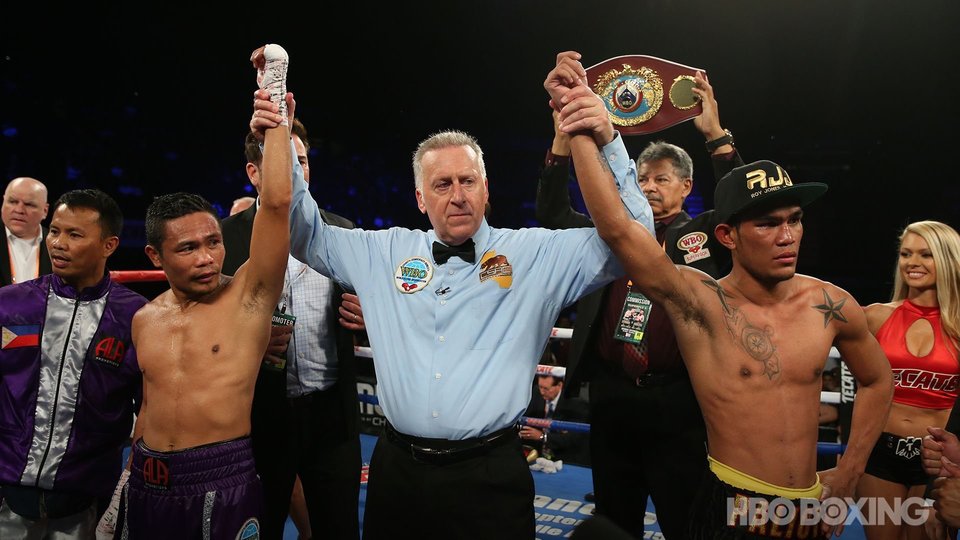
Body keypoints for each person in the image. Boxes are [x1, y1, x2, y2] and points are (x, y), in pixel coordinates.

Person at [250, 50, 654, 539]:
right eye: (441, 184)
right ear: (421, 198)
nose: (457, 195)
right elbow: (298, 228)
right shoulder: (382, 252)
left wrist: (608, 139)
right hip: (397, 471)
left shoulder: (535, 254)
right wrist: (278, 136)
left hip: (493, 476)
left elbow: (636, 239)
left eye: (467, 181)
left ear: (487, 190)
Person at [557, 71, 894, 537]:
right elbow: (617, 229)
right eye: (768, 224)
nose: (787, 236)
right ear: (726, 236)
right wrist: (583, 131)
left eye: (795, 220)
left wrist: (851, 470)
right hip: (730, 499)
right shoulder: (701, 302)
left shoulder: (831, 303)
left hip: (810, 506)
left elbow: (877, 379)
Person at [536, 69, 740, 537]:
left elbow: (740, 209)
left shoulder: (706, 234)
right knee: (613, 521)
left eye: (661, 179)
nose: (648, 187)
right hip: (612, 397)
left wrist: (715, 136)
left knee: (684, 521)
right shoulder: (610, 237)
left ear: (686, 186)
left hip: (680, 400)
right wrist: (563, 139)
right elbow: (551, 214)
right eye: (642, 178)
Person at [111, 43, 292, 539]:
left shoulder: (247, 300)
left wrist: (272, 105)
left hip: (221, 478)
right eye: (189, 248)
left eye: (214, 241)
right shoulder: (145, 318)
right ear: (155, 258)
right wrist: (125, 478)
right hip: (146, 483)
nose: (209, 256)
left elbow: (276, 205)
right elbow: (148, 404)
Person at [221, 117, 364, 540]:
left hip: (331, 418)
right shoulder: (224, 240)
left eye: (300, 161)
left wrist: (368, 316)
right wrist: (248, 342)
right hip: (260, 418)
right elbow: (203, 321)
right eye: (284, 161)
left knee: (338, 529)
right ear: (254, 172)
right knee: (257, 528)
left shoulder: (343, 232)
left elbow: (377, 306)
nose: (295, 171)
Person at [0, 189, 147, 538]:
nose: (58, 243)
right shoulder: (9, 305)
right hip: (7, 492)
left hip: (88, 497)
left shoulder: (137, 316)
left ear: (109, 245)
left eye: (74, 234)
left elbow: (149, 407)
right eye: (54, 231)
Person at [856, 220, 960, 539]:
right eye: (905, 254)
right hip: (880, 451)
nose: (912, 263)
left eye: (925, 254)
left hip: (937, 460)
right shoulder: (874, 316)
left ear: (947, 259)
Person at [520, 373, 590, 465]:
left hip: (565, 458)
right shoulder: (536, 392)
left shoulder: (576, 404)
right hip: (538, 455)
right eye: (540, 386)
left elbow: (573, 438)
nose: (542, 392)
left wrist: (542, 436)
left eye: (546, 388)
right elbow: (526, 418)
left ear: (559, 385)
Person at [2, 177, 51, 286]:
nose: (19, 210)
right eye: (12, 202)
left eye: (29, 204)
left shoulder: (56, 244)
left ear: (45, 211)